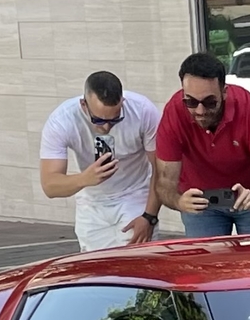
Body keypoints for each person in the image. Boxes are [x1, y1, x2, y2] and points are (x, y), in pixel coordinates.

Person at [157, 51, 250, 238]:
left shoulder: (247, 107)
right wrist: (178, 202)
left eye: (209, 102)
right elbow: (164, 183)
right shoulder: (174, 111)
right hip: (202, 202)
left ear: (224, 92)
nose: (200, 110)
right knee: (208, 263)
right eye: (191, 101)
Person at [38, 69, 160, 250]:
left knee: (137, 267)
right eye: (98, 120)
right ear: (83, 105)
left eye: (115, 119)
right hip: (91, 203)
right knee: (95, 270)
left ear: (123, 102)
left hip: (135, 195)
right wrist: (84, 179)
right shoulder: (62, 120)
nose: (106, 127)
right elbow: (50, 186)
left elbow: (161, 169)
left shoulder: (143, 110)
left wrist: (149, 216)